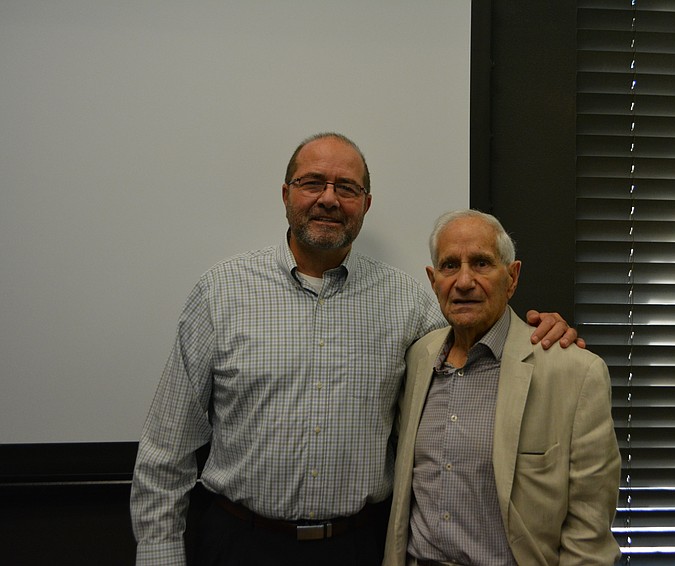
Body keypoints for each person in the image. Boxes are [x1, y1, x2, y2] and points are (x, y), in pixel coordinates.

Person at [130, 133, 579, 566]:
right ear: (286, 194)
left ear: (365, 204)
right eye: (312, 183)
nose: (329, 198)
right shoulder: (220, 293)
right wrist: (158, 553)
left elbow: (477, 343)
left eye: (346, 187)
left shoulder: (407, 302)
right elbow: (166, 450)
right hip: (240, 543)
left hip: (359, 546)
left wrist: (542, 335)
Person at [383, 209, 621, 566]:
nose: (464, 281)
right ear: (434, 281)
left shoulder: (574, 372)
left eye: (481, 263)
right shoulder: (418, 358)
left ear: (512, 278)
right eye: (450, 266)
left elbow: (589, 529)